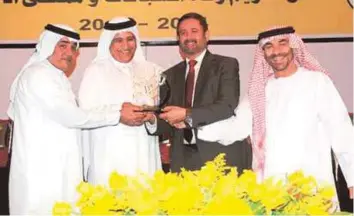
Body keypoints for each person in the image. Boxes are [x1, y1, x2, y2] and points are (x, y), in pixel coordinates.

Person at [198, 26, 353, 203]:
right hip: (271, 187)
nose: (276, 51)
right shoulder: (261, 90)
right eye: (268, 46)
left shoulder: (317, 82)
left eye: (282, 43)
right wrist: (195, 127)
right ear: (262, 52)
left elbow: (341, 130)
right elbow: (238, 127)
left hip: (311, 184)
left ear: (293, 45)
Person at [7, 24, 123, 214]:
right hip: (42, 172)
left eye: (73, 48)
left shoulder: (56, 77)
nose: (69, 52)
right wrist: (118, 114)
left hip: (58, 169)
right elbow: (72, 117)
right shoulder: (38, 75)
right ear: (48, 45)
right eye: (63, 45)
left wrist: (118, 108)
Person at [146, 12, 252, 173]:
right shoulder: (168, 75)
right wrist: (151, 119)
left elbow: (226, 106)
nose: (188, 37)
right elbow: (168, 120)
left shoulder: (225, 65)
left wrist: (187, 115)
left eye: (194, 31)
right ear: (178, 39)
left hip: (220, 156)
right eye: (183, 33)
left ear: (206, 35)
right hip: (183, 160)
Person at [78, 17, 162, 185]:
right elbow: (84, 114)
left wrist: (151, 119)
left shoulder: (151, 70)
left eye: (130, 39)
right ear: (109, 43)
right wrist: (118, 114)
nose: (126, 46)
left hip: (144, 152)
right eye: (118, 40)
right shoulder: (96, 71)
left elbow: (162, 113)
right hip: (110, 155)